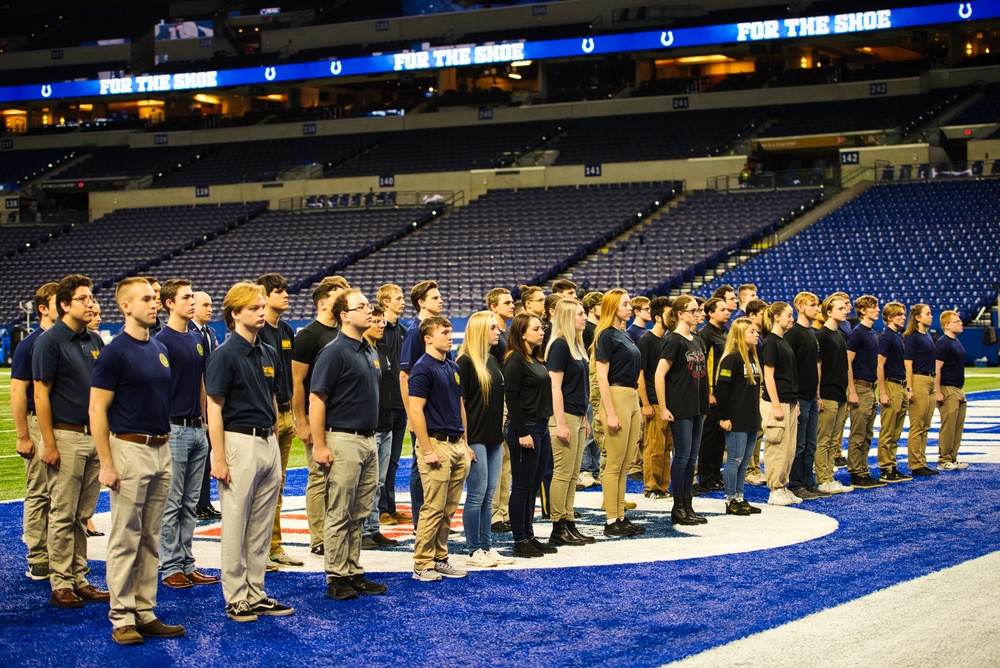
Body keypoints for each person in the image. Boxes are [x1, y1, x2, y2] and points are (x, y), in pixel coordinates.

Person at [90, 277, 183, 645]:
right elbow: (97, 409)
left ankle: (144, 610)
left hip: (161, 448)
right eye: (146, 299)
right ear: (125, 306)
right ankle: (122, 617)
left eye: (155, 298)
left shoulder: (158, 348)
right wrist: (107, 462)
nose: (154, 303)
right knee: (125, 537)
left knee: (150, 538)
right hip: (129, 449)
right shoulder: (115, 352)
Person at [205, 282, 293, 622]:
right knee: (236, 522)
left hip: (266, 441)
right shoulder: (224, 354)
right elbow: (214, 406)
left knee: (259, 523)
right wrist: (218, 455)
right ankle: (235, 597)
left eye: (261, 306)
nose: (261, 312)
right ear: (235, 314)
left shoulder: (267, 351)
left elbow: (271, 396)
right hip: (238, 440)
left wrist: (272, 432)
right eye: (255, 307)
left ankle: (256, 592)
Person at [32, 274, 109, 609]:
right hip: (66, 435)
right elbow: (40, 394)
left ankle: (79, 576)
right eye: (83, 298)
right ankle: (61, 581)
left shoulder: (93, 340)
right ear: (64, 305)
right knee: (63, 511)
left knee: (82, 513)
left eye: (91, 297)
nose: (90, 303)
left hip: (93, 435)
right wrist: (48, 443)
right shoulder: (50, 342)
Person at [308, 288, 388, 599]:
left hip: (367, 439)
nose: (369, 310)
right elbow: (317, 399)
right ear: (344, 315)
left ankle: (353, 569)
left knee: (360, 511)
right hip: (342, 438)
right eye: (361, 307)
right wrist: (319, 445)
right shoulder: (334, 351)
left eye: (368, 305)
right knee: (340, 510)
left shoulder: (368, 349)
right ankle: (336, 576)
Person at [156, 278, 220, 590]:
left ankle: (187, 562)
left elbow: (203, 383)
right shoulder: (161, 340)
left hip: (197, 428)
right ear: (169, 303)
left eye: (192, 296)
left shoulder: (197, 337)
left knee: (191, 501)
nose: (192, 301)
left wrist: (207, 423)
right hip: (174, 427)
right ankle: (170, 566)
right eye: (186, 297)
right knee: (173, 501)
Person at [408, 316, 472, 581]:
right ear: (428, 338)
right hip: (436, 444)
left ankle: (440, 557)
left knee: (447, 508)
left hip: (456, 445)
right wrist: (426, 449)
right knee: (433, 507)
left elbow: (460, 407)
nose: (449, 335)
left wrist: (466, 443)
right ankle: (422, 563)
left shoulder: (453, 367)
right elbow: (415, 410)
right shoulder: (422, 368)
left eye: (449, 331)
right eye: (444, 332)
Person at [291, 276, 350, 556]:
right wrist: (301, 421)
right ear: (323, 302)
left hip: (342, 420)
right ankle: (319, 537)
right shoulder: (308, 336)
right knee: (318, 477)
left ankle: (337, 532)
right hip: (318, 419)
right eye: (339, 297)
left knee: (341, 480)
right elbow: (297, 383)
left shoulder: (343, 334)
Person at [457, 312, 515, 567]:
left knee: (489, 494)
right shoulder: (465, 362)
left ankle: (487, 546)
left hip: (493, 437)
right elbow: (460, 404)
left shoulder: (492, 360)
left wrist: (501, 438)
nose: (497, 332)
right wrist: (465, 441)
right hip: (476, 438)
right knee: (477, 494)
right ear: (480, 330)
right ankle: (473, 550)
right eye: (492, 327)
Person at [255, 273, 304, 569]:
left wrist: (296, 416)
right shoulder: (257, 330)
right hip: (267, 415)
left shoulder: (286, 330)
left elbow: (293, 376)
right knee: (262, 485)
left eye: (285, 290)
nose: (285, 295)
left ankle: (274, 546)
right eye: (277, 291)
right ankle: (259, 548)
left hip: (286, 412)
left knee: (278, 485)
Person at [11, 282, 58, 581]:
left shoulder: (70, 340)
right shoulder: (30, 344)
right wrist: (23, 435)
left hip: (65, 424)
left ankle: (59, 554)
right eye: (60, 301)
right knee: (40, 491)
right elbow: (18, 392)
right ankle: (38, 557)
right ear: (43, 308)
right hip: (37, 423)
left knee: (64, 495)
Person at [504, 313, 556, 558]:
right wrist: (523, 431)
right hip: (526, 429)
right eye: (536, 329)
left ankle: (529, 534)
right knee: (523, 487)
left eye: (541, 328)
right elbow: (511, 398)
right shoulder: (514, 359)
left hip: (541, 427)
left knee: (533, 485)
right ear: (522, 333)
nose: (541, 331)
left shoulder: (535, 357)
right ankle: (519, 539)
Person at [655, 294, 709, 525]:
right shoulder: (674, 340)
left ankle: (687, 505)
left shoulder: (696, 339)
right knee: (683, 456)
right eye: (693, 310)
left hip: (696, 405)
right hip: (680, 406)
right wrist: (663, 407)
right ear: (680, 314)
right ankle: (678, 507)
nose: (697, 314)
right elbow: (659, 374)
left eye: (698, 310)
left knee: (691, 458)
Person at [594, 289, 644, 537]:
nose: (630, 307)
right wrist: (610, 412)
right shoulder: (605, 335)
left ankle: (620, 515)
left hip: (631, 396)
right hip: (616, 396)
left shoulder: (623, 334)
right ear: (613, 307)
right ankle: (611, 520)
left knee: (624, 463)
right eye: (625, 304)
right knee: (614, 463)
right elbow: (602, 377)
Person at [546, 299, 594, 546]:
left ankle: (569, 520)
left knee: (573, 474)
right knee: (563, 473)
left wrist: (584, 418)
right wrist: (562, 423)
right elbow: (555, 387)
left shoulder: (576, 344)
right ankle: (558, 526)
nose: (584, 317)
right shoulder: (560, 346)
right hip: (563, 417)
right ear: (567, 317)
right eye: (580, 314)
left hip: (576, 415)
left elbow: (579, 388)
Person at [400, 280, 447, 531]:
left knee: (436, 465)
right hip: (421, 410)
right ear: (421, 302)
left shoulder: (435, 329)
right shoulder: (415, 331)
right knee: (421, 466)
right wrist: (410, 413)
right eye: (435, 297)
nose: (441, 300)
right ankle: (421, 522)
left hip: (437, 410)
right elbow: (404, 375)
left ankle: (434, 519)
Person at [360, 306, 400, 551]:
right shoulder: (360, 350)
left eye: (382, 321)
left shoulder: (383, 349)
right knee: (367, 482)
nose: (380, 325)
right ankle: (363, 530)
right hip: (369, 425)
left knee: (380, 481)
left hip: (387, 422)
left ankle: (374, 529)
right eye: (375, 321)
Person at [714, 317, 763, 516]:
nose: (756, 334)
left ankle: (740, 498)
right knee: (735, 459)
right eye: (751, 331)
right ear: (740, 335)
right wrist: (724, 417)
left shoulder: (751, 358)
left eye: (756, 331)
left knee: (745, 461)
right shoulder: (732, 358)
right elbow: (721, 391)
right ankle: (730, 499)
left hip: (751, 417)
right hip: (736, 418)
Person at [784, 292, 828, 501]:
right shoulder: (793, 333)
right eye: (813, 305)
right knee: (799, 444)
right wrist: (794, 399)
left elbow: (813, 368)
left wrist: (817, 395)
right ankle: (796, 483)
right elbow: (789, 367)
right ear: (800, 307)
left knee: (811, 443)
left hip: (811, 396)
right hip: (800, 397)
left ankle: (808, 482)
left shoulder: (811, 332)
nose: (817, 308)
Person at [375, 283, 410, 526]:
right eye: (398, 297)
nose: (402, 301)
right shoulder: (377, 331)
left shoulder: (404, 331)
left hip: (400, 403)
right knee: (381, 460)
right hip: (383, 405)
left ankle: (390, 506)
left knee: (394, 459)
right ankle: (379, 509)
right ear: (385, 302)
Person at [760, 301, 802, 506]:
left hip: (789, 400)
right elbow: (768, 377)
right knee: (777, 446)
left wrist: (794, 402)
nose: (791, 318)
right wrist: (776, 405)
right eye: (788, 314)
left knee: (789, 448)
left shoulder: (783, 341)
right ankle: (775, 489)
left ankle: (782, 486)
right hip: (777, 402)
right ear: (776, 317)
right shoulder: (771, 342)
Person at [815, 295, 854, 495]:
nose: (845, 310)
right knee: (824, 439)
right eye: (840, 308)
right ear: (828, 312)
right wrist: (818, 395)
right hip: (828, 393)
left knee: (834, 440)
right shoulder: (822, 335)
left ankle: (829, 476)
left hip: (839, 393)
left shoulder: (839, 335)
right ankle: (822, 478)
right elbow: (818, 367)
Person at [846, 295, 885, 489]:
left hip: (870, 386)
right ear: (862, 310)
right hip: (860, 387)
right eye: (873, 307)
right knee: (859, 432)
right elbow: (848, 363)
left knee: (868, 432)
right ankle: (855, 472)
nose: (878, 310)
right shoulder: (858, 333)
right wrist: (852, 390)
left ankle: (863, 469)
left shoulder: (870, 332)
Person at [485, 288, 515, 534]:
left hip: (511, 400)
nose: (512, 305)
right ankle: (495, 513)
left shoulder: (507, 333)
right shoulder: (492, 335)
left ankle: (503, 511)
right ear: (493, 306)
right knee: (500, 458)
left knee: (508, 461)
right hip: (499, 401)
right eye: (507, 302)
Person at [637, 296, 672, 500]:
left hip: (666, 402)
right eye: (669, 314)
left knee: (666, 448)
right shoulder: (646, 340)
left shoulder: (667, 340)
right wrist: (646, 403)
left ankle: (663, 486)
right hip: (653, 401)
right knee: (654, 447)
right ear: (658, 317)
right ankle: (651, 487)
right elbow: (640, 374)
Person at [191, 291, 221, 521]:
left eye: (211, 305)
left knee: (207, 455)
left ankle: (204, 502)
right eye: (206, 305)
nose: (210, 309)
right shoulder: (188, 332)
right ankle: (195, 504)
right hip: (195, 399)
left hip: (211, 395)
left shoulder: (210, 332)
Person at [696, 296, 730, 494]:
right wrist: (708, 391)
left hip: (723, 391)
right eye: (722, 309)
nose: (727, 312)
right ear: (711, 313)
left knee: (719, 437)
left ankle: (716, 474)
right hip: (712, 392)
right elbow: (704, 365)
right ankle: (706, 477)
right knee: (709, 437)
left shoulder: (723, 332)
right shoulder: (705, 335)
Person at [876, 301, 912, 482]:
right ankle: (885, 468)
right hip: (891, 384)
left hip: (900, 384)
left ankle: (892, 465)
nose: (903, 317)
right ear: (889, 317)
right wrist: (882, 392)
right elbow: (879, 365)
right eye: (899, 315)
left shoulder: (897, 336)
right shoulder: (886, 337)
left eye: (904, 314)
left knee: (896, 430)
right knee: (888, 429)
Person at [903, 303, 940, 476]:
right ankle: (916, 463)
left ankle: (921, 461)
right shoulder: (912, 337)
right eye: (927, 313)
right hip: (919, 379)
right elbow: (908, 363)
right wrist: (909, 387)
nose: (931, 316)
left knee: (925, 424)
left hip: (930, 379)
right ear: (917, 317)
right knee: (917, 424)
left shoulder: (927, 336)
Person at [935, 310, 968, 471]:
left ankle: (953, 456)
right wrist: (938, 391)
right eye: (957, 321)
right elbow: (937, 368)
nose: (961, 323)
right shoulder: (944, 343)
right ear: (947, 325)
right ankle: (944, 458)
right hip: (948, 389)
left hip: (958, 388)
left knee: (957, 425)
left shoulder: (955, 341)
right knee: (948, 425)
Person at [743, 298, 769, 486]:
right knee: (753, 428)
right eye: (762, 313)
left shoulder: (759, 334)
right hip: (753, 383)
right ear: (752, 315)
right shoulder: (749, 335)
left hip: (758, 382)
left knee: (758, 429)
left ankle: (755, 467)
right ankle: (750, 468)